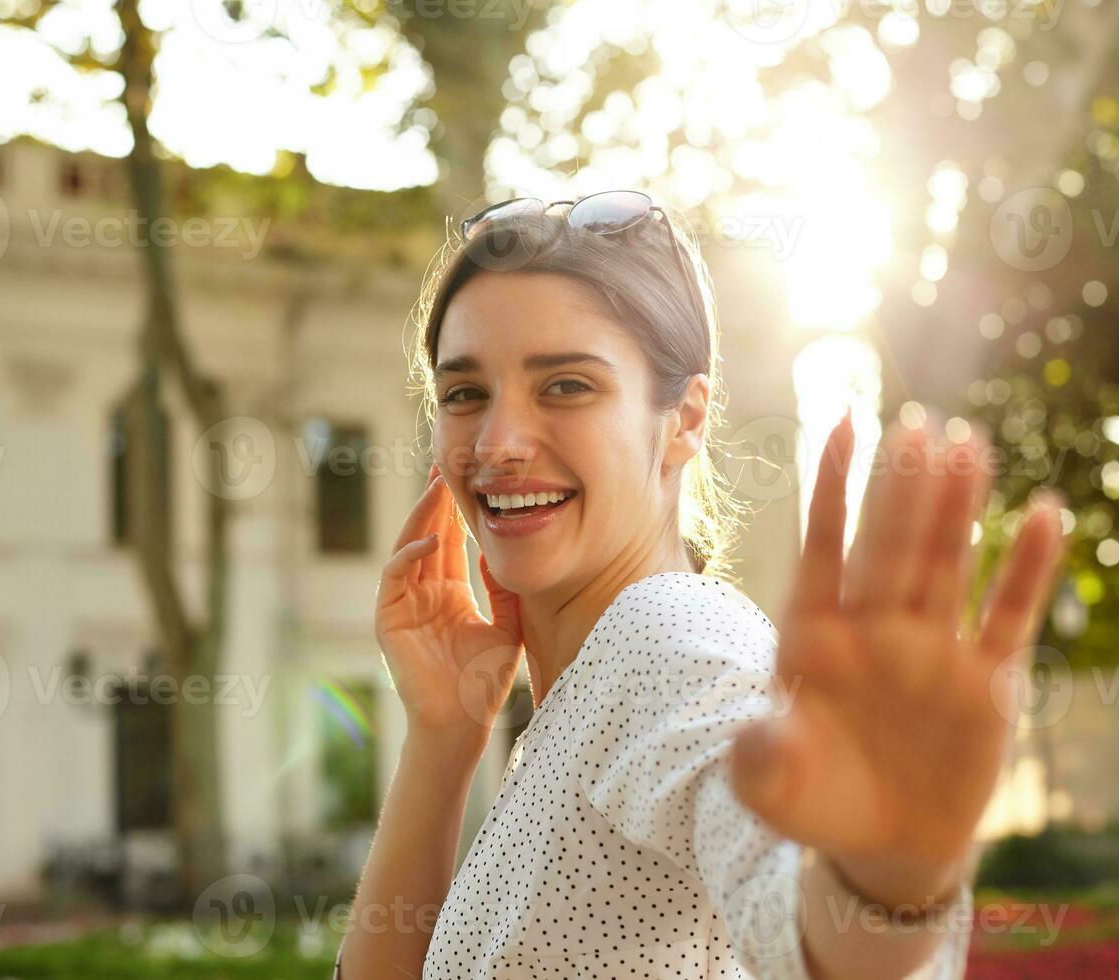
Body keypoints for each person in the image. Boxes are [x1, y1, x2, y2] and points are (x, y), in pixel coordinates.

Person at [332, 191, 1066, 978]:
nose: (498, 443)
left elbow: (788, 911)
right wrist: (443, 735)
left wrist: (883, 882)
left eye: (567, 386)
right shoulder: (580, 693)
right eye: (464, 394)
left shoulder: (668, 640)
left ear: (684, 420)